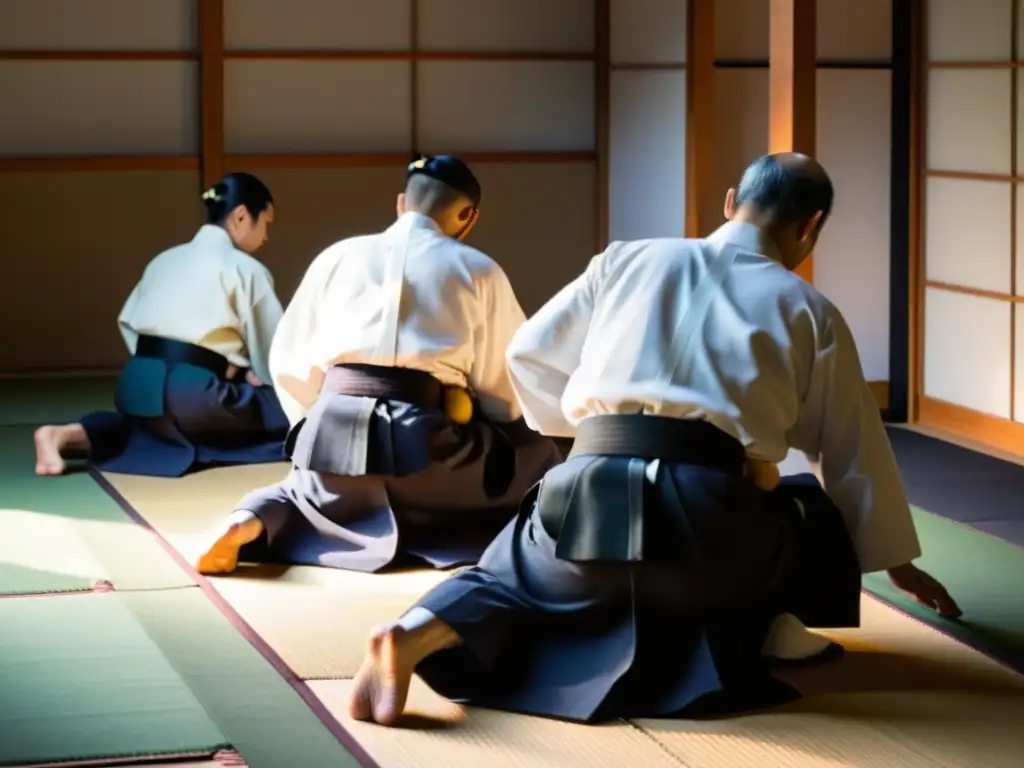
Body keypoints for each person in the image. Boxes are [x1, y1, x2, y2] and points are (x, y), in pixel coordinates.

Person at [345, 153, 962, 727]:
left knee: (517, 577)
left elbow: (526, 354)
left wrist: (589, 433)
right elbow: (849, 449)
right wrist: (895, 562)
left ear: (729, 203)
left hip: (583, 495)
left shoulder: (625, 259)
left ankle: (418, 628)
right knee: (808, 510)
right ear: (811, 227)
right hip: (703, 523)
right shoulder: (807, 308)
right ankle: (769, 627)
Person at [194, 155, 564, 576]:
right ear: (468, 217)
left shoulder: (336, 256)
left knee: (305, 491)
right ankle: (423, 515)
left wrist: (314, 422)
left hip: (332, 434)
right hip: (426, 444)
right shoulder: (477, 270)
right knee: (538, 458)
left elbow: (287, 360)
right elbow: (505, 390)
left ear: (402, 202)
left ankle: (248, 519)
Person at [34, 172, 289, 478]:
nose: (266, 236)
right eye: (265, 223)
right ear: (241, 216)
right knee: (289, 411)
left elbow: (129, 324)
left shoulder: (163, 259)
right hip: (193, 395)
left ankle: (65, 435)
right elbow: (277, 354)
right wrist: (246, 370)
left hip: (136, 386)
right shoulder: (246, 268)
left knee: (148, 429)